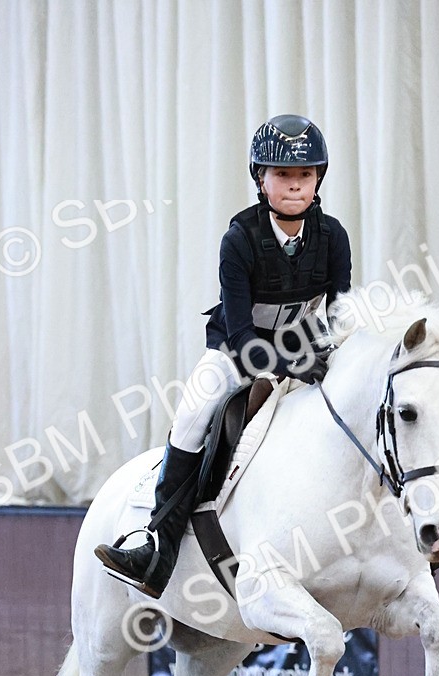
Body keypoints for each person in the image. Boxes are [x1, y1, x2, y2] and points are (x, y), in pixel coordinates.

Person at [95, 113, 352, 598]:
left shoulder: (333, 236)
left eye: (304, 175)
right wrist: (291, 363)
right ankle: (157, 546)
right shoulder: (239, 240)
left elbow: (340, 309)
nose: (294, 186)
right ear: (261, 178)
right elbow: (240, 335)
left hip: (305, 349)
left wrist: (336, 353)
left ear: (318, 179)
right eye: (282, 175)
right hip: (237, 352)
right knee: (193, 415)